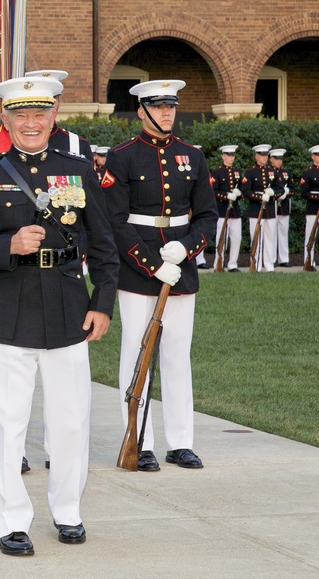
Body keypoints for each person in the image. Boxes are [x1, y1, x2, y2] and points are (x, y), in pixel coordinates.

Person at [0, 76, 118, 556]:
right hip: (7, 308)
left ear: (53, 117)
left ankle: (68, 511)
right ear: (5, 120)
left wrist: (102, 302)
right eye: (19, 115)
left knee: (70, 421)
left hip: (69, 306)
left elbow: (104, 245)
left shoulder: (78, 169)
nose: (30, 123)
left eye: (38, 114)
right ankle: (9, 521)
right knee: (8, 423)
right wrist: (7, 244)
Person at [100, 79, 218, 472]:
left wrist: (186, 249)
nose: (167, 113)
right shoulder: (123, 157)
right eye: (158, 106)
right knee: (137, 352)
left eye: (171, 106)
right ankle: (141, 441)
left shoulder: (192, 156)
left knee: (176, 355)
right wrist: (152, 264)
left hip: (181, 267)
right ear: (141, 111)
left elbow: (206, 216)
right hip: (139, 271)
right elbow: (115, 221)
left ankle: (180, 441)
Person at [24, 70, 93, 159]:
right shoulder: (14, 141)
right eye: (42, 100)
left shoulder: (77, 145)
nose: (48, 105)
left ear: (58, 103)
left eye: (53, 98)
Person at [241, 144, 281, 272]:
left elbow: (280, 189)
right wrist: (259, 197)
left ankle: (269, 266)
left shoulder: (273, 171)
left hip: (270, 209)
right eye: (261, 155)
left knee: (270, 238)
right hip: (255, 210)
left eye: (266, 155)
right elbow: (246, 191)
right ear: (256, 156)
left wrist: (272, 194)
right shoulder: (250, 172)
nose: (264, 158)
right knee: (256, 237)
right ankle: (256, 265)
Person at [209, 144, 243, 272]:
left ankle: (233, 264)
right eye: (228, 155)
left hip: (235, 210)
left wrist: (238, 193)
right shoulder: (217, 172)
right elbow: (213, 191)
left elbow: (242, 188)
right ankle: (219, 262)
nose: (231, 158)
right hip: (222, 209)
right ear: (223, 156)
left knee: (236, 238)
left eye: (233, 155)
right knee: (221, 236)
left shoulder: (237, 172)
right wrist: (226, 195)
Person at [270, 149, 294, 267]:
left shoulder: (286, 173)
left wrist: (287, 193)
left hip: (284, 206)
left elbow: (293, 189)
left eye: (280, 159)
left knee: (283, 233)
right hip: (273, 205)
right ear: (271, 160)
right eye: (276, 159)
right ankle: (272, 258)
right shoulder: (269, 172)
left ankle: (284, 259)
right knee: (272, 233)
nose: (279, 161)